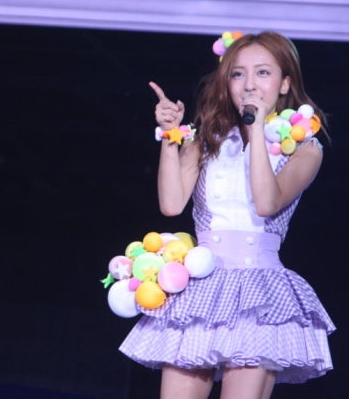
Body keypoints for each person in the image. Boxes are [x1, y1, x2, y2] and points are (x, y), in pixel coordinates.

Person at [119, 31, 335, 398]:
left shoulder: (304, 149)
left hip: (258, 292)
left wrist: (256, 128)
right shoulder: (208, 140)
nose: (249, 84)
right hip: (201, 288)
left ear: (285, 83)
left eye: (263, 73)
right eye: (238, 74)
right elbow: (171, 204)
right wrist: (171, 137)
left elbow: (267, 203)